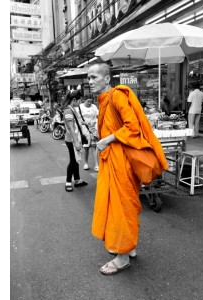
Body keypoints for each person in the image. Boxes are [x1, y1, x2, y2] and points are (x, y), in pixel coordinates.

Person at [87, 63, 168, 275]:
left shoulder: (117, 95)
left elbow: (132, 126)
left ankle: (122, 258)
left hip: (121, 161)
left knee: (121, 208)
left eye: (94, 77)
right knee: (123, 206)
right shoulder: (104, 100)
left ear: (106, 79)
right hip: (113, 158)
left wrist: (107, 139)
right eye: (88, 78)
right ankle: (128, 246)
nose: (90, 81)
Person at [63, 90, 88, 192]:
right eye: (79, 101)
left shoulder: (73, 109)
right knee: (73, 161)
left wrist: (85, 123)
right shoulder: (68, 111)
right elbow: (71, 128)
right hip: (72, 140)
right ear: (74, 100)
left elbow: (77, 121)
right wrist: (76, 142)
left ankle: (77, 180)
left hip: (75, 139)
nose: (80, 103)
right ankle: (68, 182)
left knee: (76, 160)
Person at [78, 98, 99, 172]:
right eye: (88, 101)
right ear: (84, 100)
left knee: (94, 146)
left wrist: (95, 122)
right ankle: (86, 163)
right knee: (86, 148)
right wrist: (85, 123)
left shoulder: (94, 106)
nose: (89, 103)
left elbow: (98, 115)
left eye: (91, 101)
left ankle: (96, 164)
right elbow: (78, 119)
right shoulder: (80, 107)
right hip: (85, 129)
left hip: (93, 129)